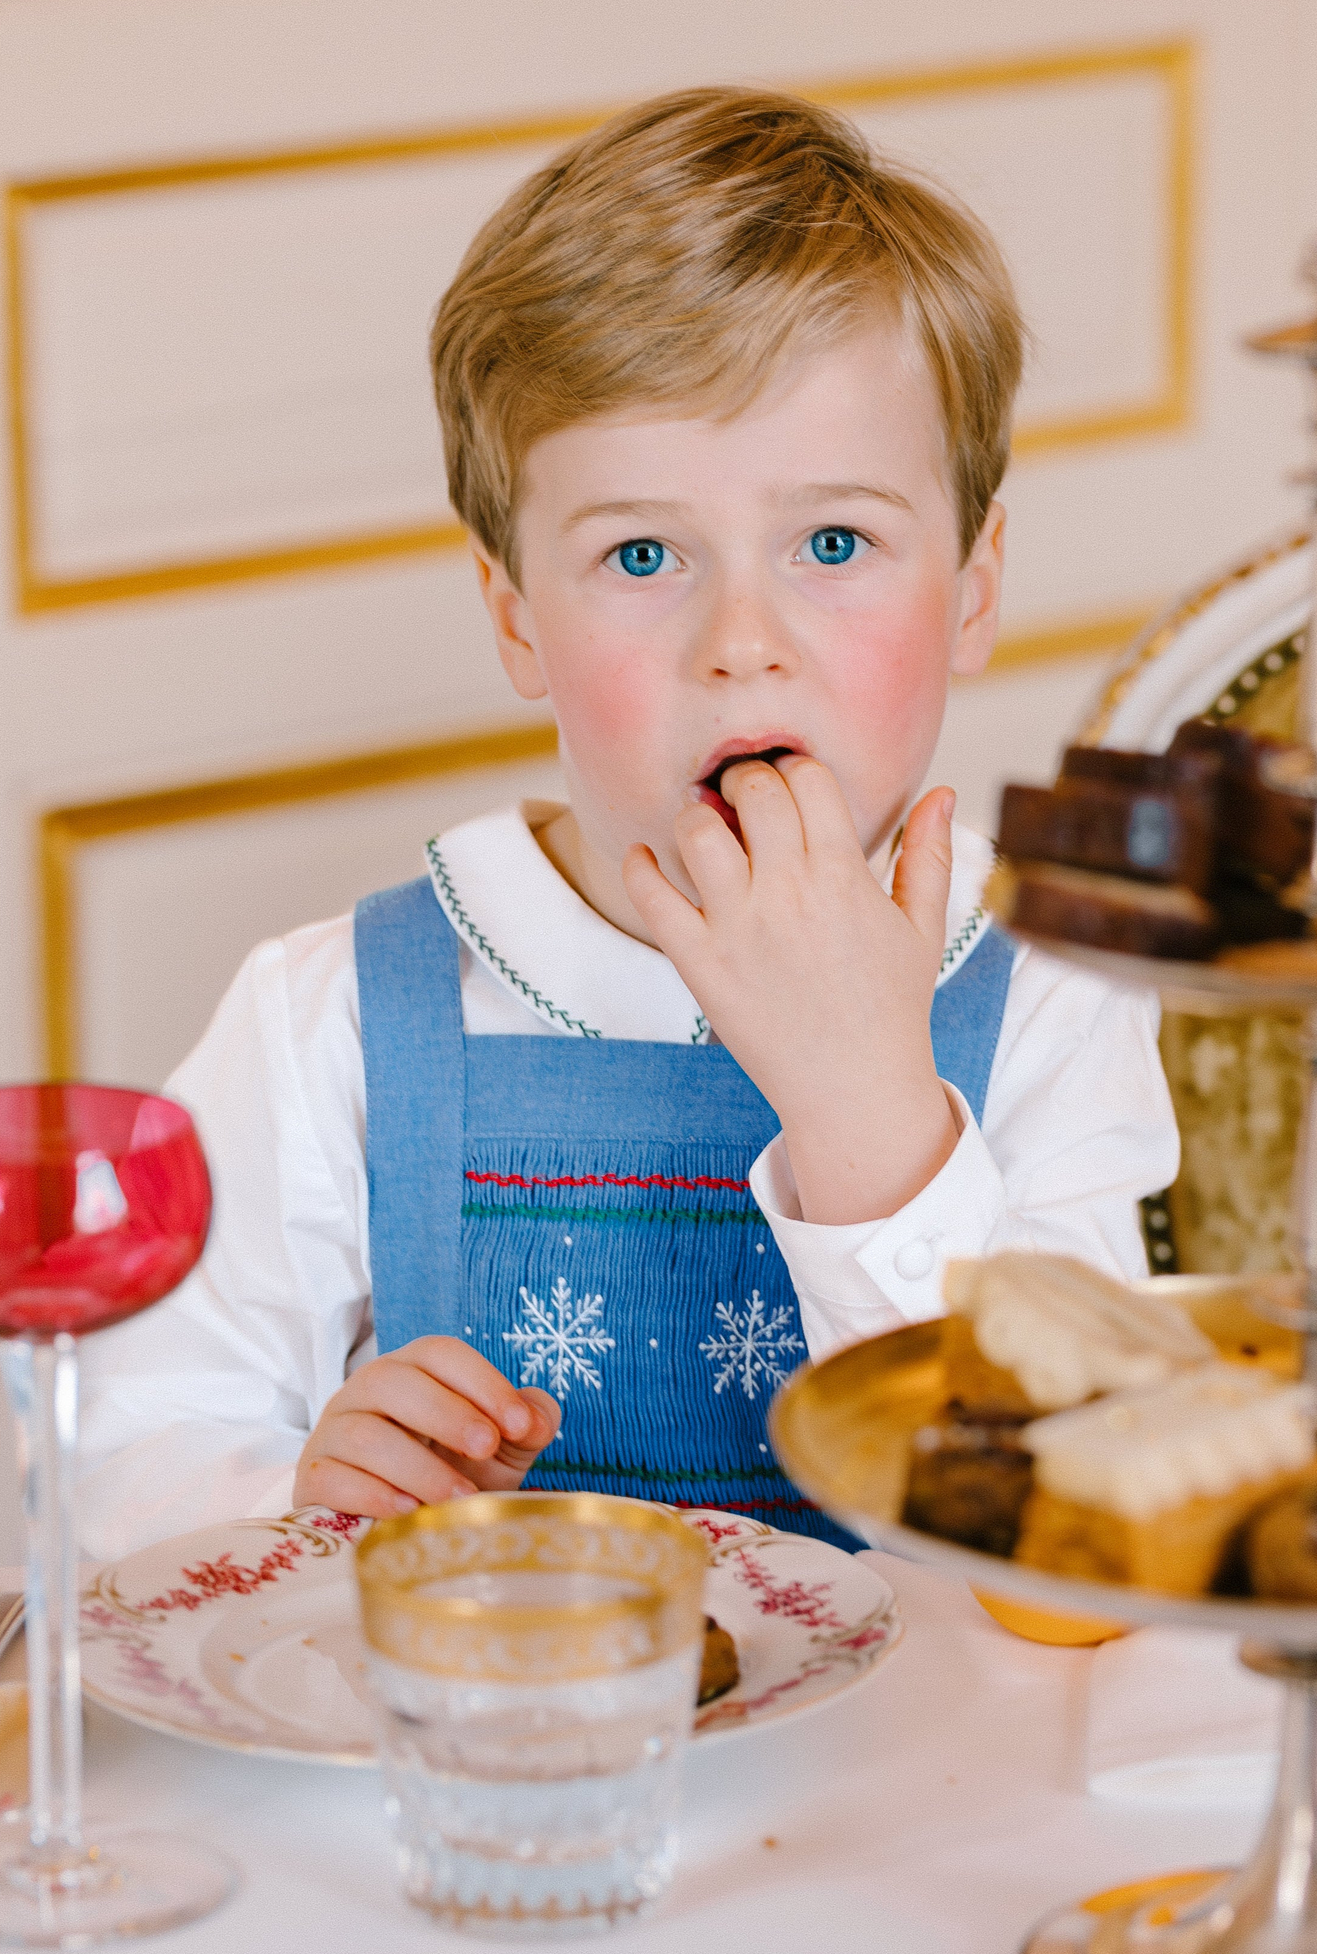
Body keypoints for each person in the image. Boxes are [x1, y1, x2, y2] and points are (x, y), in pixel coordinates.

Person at [77, 86, 1178, 1559]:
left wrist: (872, 1117)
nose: (743, 640)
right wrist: (294, 1497)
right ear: (516, 616)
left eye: (834, 543)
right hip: (491, 1782)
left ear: (973, 587)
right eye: (643, 552)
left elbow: (1075, 1534)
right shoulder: (334, 1020)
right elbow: (104, 1457)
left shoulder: (1046, 998)